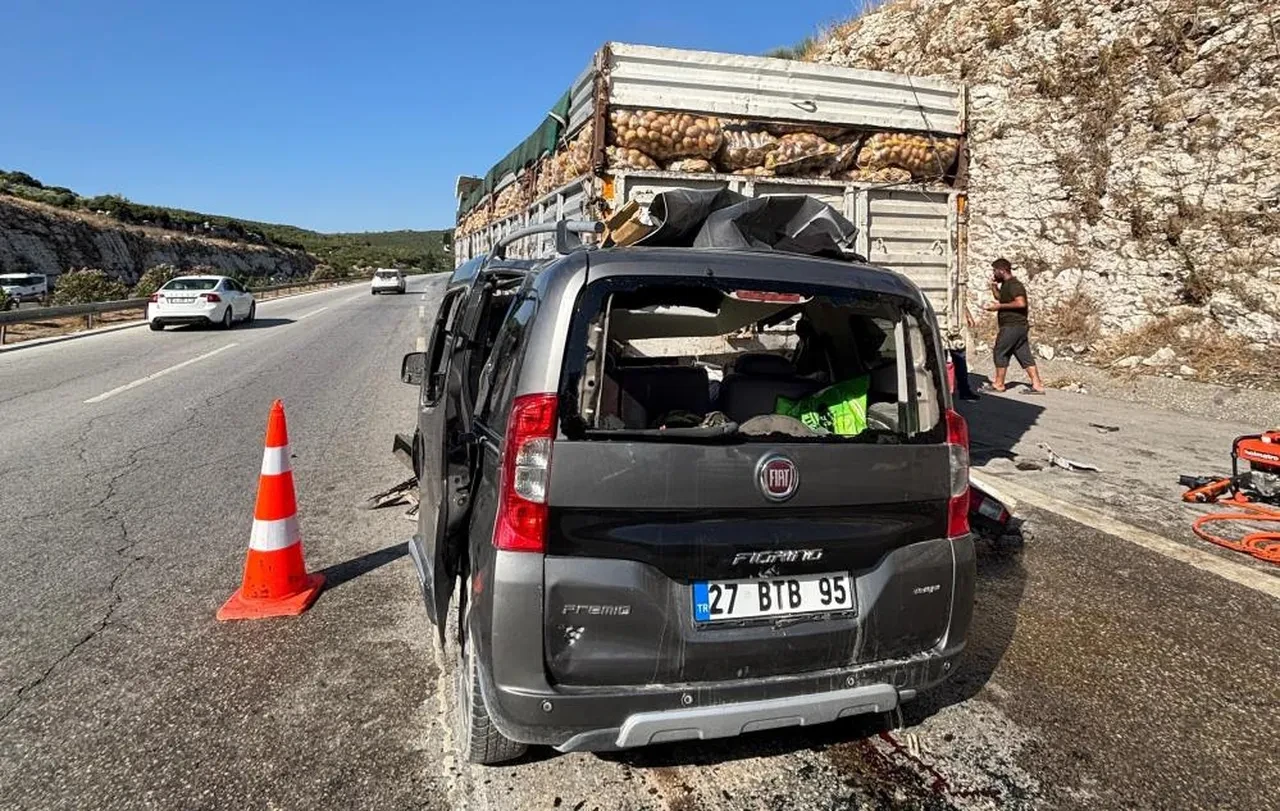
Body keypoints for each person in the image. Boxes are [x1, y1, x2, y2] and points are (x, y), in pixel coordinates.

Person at [985, 257, 1046, 394]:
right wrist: (994, 287)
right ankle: (1037, 385)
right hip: (1019, 327)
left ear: (1002, 270)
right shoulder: (1007, 285)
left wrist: (999, 307)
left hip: (1012, 325)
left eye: (995, 271)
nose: (993, 274)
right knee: (1023, 354)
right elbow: (1000, 297)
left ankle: (999, 384)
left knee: (1000, 351)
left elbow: (1021, 303)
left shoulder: (1014, 285)